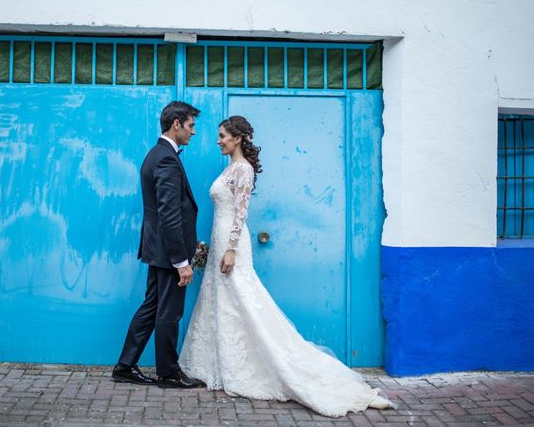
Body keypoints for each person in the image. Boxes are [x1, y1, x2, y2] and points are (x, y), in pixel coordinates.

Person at [179, 115, 397, 416]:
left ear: (237, 138)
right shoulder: (230, 168)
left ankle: (281, 368)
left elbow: (241, 212)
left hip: (232, 246)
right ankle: (220, 364)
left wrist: (230, 250)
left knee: (243, 301)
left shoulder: (242, 169)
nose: (218, 140)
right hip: (220, 243)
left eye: (222, 136)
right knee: (224, 303)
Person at [112, 101, 205, 389]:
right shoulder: (166, 158)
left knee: (152, 306)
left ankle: (125, 366)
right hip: (168, 253)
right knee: (169, 311)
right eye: (190, 126)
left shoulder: (158, 154)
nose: (193, 132)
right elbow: (169, 213)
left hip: (158, 249)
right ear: (176, 124)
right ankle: (168, 373)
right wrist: (182, 262)